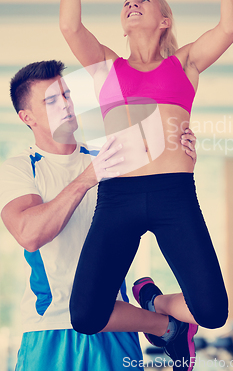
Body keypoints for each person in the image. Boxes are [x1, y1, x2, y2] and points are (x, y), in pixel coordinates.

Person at [59, 0, 233, 371]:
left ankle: (154, 298)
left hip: (174, 196)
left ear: (165, 20)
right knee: (85, 316)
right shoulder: (106, 66)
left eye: (144, 0)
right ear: (121, 24)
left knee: (214, 312)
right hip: (117, 197)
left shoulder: (186, 63)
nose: (131, 3)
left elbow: (231, 26)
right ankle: (165, 327)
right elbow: (69, 25)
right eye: (126, 3)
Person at [0, 60, 198, 371]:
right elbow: (29, 234)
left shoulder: (111, 158)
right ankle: (163, 323)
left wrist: (183, 162)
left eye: (65, 94)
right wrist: (87, 178)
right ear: (27, 117)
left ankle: (162, 318)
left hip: (112, 325)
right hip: (48, 329)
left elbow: (162, 207)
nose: (66, 104)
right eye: (51, 100)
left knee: (209, 309)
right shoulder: (20, 168)